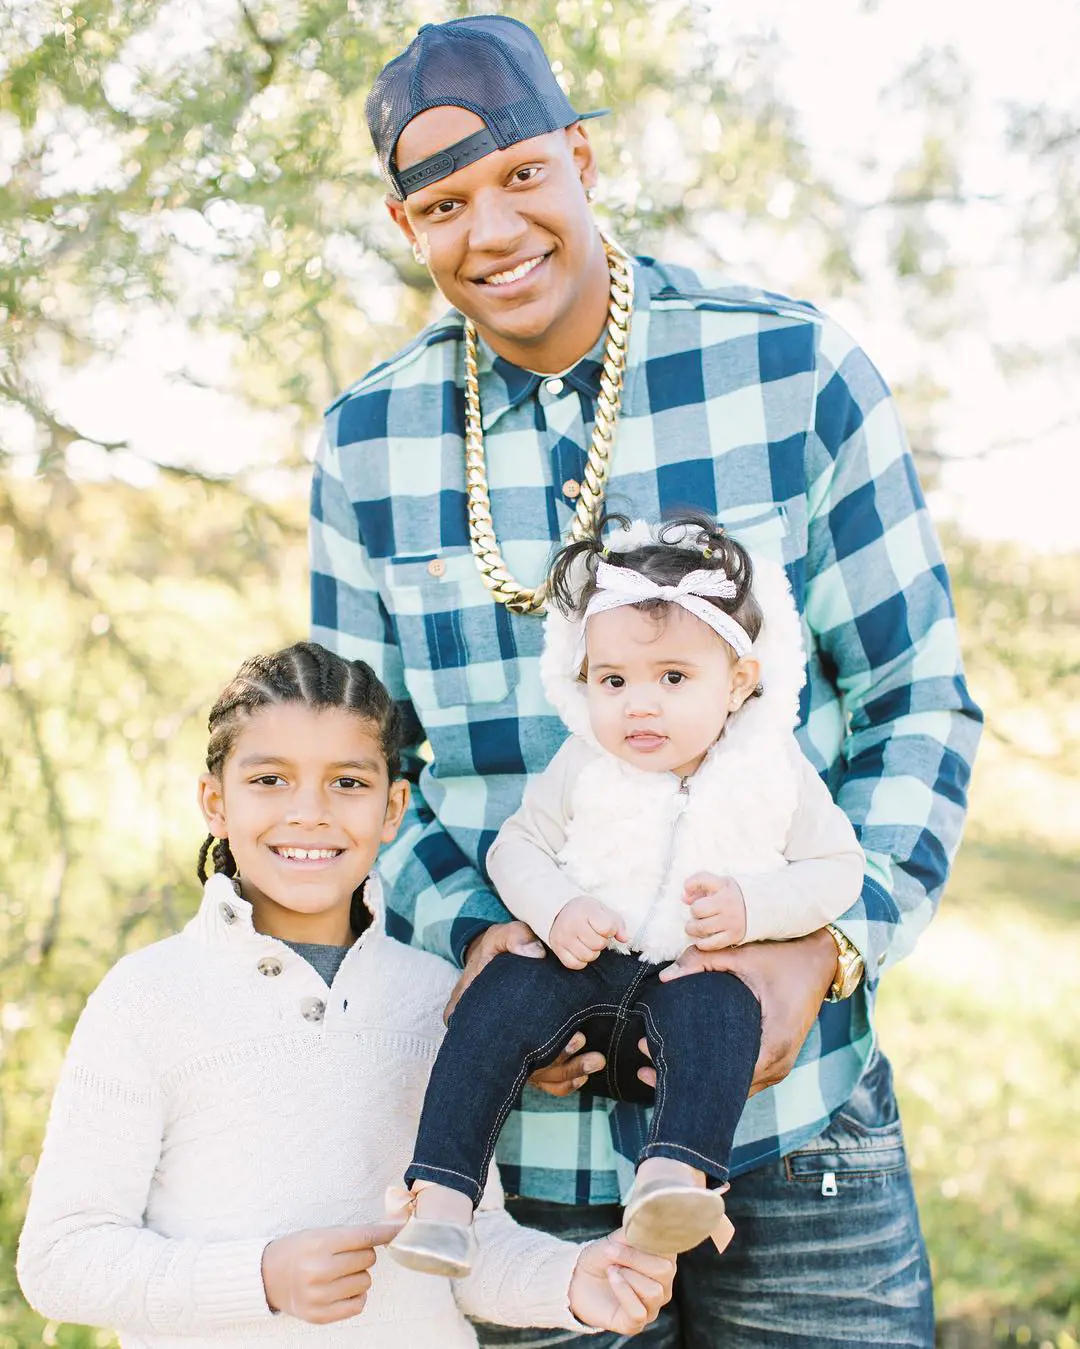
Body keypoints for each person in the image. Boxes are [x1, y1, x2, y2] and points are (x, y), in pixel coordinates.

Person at [311, 15, 983, 1345]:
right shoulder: (365, 446)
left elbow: (917, 697)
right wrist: (478, 940)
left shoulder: (793, 373)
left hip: (800, 1135)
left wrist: (824, 950)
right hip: (530, 1172)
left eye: (519, 175)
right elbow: (359, 769)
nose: (491, 230)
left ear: (578, 158)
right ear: (408, 226)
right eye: (443, 203)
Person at [16, 642, 676, 1348]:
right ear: (215, 801)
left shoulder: (437, 1002)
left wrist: (570, 1278)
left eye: (347, 783)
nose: (309, 812)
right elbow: (62, 1258)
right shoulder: (147, 999)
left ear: (394, 808)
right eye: (269, 779)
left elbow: (464, 1244)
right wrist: (260, 1276)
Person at [389, 515, 864, 1276]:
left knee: (724, 1017)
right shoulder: (585, 762)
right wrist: (554, 910)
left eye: (673, 678)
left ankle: (672, 1178)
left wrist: (754, 906)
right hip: (586, 956)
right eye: (614, 681)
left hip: (694, 966)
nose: (639, 705)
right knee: (495, 1001)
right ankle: (441, 1194)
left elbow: (839, 869)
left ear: (738, 680)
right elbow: (518, 846)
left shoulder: (773, 769)